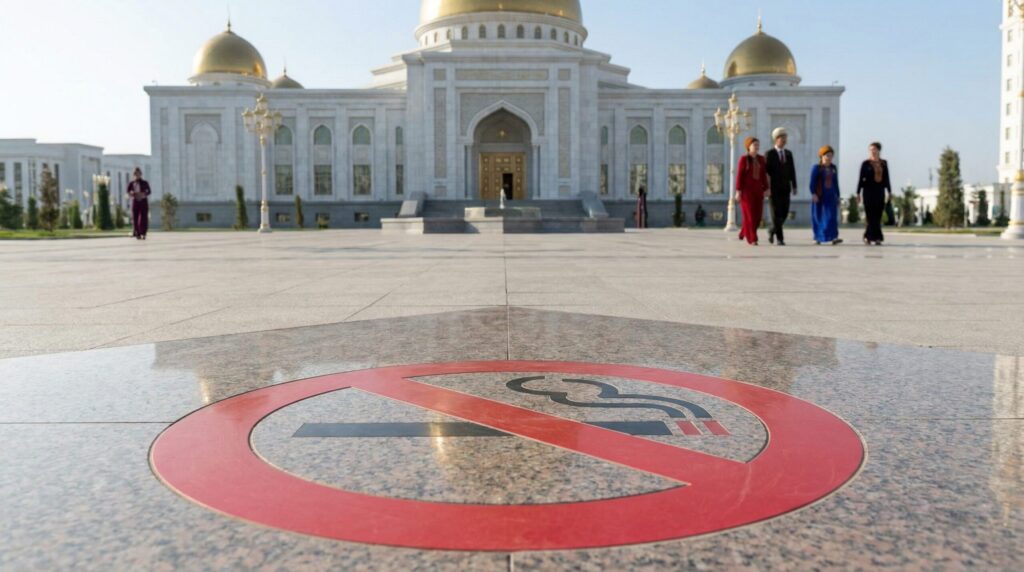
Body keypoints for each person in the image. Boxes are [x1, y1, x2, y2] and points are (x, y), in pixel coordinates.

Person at [765, 127, 798, 246]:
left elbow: (792, 170)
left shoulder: (788, 154)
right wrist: (767, 188)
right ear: (776, 139)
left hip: (785, 188)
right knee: (776, 214)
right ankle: (780, 238)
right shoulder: (769, 154)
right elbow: (766, 173)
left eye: (785, 137)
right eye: (782, 137)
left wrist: (794, 185)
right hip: (773, 189)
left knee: (784, 213)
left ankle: (771, 230)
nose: (784, 140)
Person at [735, 137, 770, 245]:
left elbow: (763, 175)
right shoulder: (744, 159)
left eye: (758, 144)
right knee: (750, 215)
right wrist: (738, 191)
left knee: (758, 216)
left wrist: (767, 188)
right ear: (748, 146)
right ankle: (753, 238)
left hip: (758, 191)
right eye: (754, 144)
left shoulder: (761, 159)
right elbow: (739, 176)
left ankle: (744, 231)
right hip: (746, 192)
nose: (757, 147)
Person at [858, 142, 892, 245]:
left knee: (878, 215)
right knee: (870, 215)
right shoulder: (865, 164)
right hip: (868, 192)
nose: (872, 151)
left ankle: (871, 237)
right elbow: (861, 179)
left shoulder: (884, 163)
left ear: (878, 150)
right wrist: (858, 193)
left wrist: (889, 191)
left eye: (874, 149)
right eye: (870, 149)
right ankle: (875, 237)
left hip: (880, 191)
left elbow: (886, 178)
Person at [810, 146, 843, 245]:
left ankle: (833, 237)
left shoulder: (833, 168)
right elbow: (812, 182)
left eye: (831, 155)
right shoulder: (817, 168)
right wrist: (813, 194)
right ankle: (818, 237)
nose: (829, 157)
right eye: (827, 155)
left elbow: (835, 183)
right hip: (819, 195)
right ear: (822, 156)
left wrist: (838, 196)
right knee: (818, 216)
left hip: (831, 195)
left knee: (831, 217)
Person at [127, 167, 151, 240]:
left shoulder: (145, 182)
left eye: (138, 174)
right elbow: (128, 191)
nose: (137, 175)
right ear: (134, 175)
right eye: (136, 174)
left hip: (143, 201)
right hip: (135, 201)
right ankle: (137, 233)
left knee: (143, 217)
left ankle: (143, 233)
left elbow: (149, 191)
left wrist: (144, 194)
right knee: (135, 217)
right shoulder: (132, 183)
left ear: (141, 174)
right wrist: (132, 193)